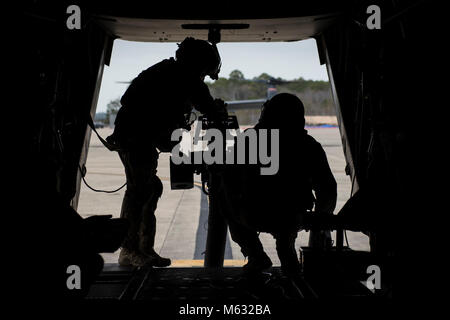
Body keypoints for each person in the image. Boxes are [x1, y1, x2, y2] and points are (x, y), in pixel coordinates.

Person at [107, 37, 226, 267]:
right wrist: (217, 111)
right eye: (204, 71)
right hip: (136, 138)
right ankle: (130, 251)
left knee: (150, 187)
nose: (203, 76)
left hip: (137, 137)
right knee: (140, 191)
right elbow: (209, 107)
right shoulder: (186, 78)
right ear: (198, 64)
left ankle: (143, 248)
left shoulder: (167, 71)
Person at [222, 93, 337, 276]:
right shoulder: (309, 145)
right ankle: (289, 264)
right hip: (293, 216)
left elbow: (228, 180)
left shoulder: (247, 142)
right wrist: (320, 222)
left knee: (224, 205)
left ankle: (256, 255)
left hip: (253, 214)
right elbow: (328, 188)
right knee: (286, 245)